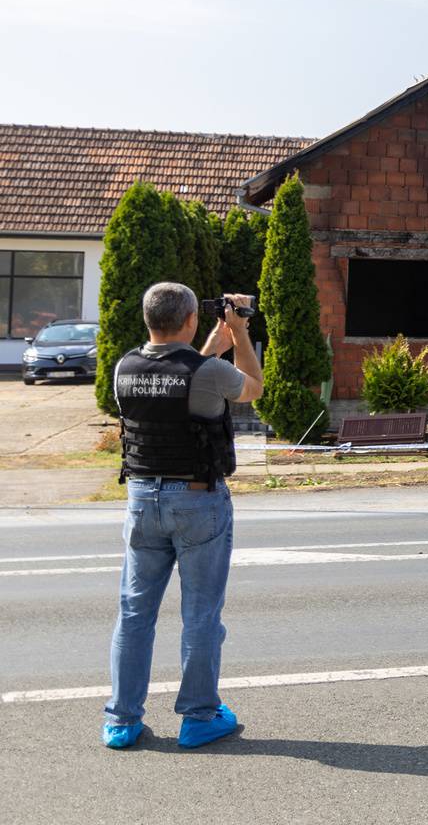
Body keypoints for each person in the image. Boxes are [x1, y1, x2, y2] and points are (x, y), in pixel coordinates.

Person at [101, 282, 262, 751]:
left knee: (134, 614)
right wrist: (241, 333)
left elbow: (182, 373)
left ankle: (121, 721)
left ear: (147, 318)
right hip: (196, 501)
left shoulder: (124, 367)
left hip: (140, 499)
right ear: (190, 320)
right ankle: (199, 717)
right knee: (200, 615)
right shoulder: (209, 372)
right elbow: (250, 387)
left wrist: (219, 333)